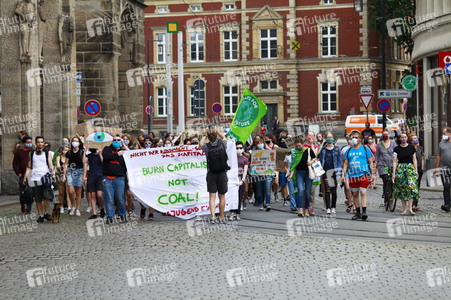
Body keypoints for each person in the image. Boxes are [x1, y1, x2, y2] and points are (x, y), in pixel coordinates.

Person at [341, 131, 376, 221]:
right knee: (355, 194)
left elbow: (371, 162)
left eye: (356, 137)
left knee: (363, 192)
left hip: (363, 174)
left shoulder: (365, 149)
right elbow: (345, 164)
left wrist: (373, 174)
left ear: (360, 139)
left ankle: (364, 211)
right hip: (352, 176)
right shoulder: (348, 150)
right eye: (352, 137)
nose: (354, 139)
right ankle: (358, 212)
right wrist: (342, 175)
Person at [200, 128, 229, 223]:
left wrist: (205, 135)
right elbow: (224, 137)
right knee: (222, 196)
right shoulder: (222, 144)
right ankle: (221, 217)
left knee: (212, 196)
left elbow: (200, 144)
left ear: (208, 137)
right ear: (216, 136)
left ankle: (212, 217)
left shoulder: (206, 147)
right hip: (222, 173)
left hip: (211, 173)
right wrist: (218, 132)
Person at [23, 136, 54, 223]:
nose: (40, 143)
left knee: (47, 197)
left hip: (45, 178)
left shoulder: (47, 153)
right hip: (35, 178)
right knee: (38, 198)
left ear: (44, 143)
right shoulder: (32, 153)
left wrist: (51, 173)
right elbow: (29, 166)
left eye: (41, 142)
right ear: (36, 143)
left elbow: (50, 164)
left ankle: (46, 213)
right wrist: (25, 177)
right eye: (38, 142)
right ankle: (40, 215)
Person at [102, 135, 128, 224]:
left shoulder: (124, 152)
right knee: (109, 199)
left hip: (119, 178)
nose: (116, 141)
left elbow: (132, 157)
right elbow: (106, 156)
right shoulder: (107, 149)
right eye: (114, 140)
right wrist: (117, 154)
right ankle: (109, 217)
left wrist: (124, 146)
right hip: (107, 178)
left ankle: (122, 214)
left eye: (118, 140)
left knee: (120, 198)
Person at [288, 137, 316, 217]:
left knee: (307, 192)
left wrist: (311, 162)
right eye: (296, 146)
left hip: (308, 173)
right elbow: (294, 165)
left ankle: (306, 209)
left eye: (299, 146)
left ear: (302, 144)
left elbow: (314, 157)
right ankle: (300, 209)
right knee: (300, 190)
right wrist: (291, 174)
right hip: (299, 173)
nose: (298, 147)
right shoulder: (294, 152)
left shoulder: (308, 150)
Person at [392, 133, 419, 216]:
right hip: (400, 169)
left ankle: (410, 209)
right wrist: (394, 173)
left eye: (405, 137)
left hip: (410, 168)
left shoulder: (411, 147)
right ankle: (404, 209)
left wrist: (416, 170)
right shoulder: (397, 149)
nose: (404, 139)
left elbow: (414, 159)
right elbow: (395, 161)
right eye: (402, 137)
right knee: (402, 188)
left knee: (411, 187)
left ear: (407, 138)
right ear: (400, 139)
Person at [318, 132, 342, 215]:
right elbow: (321, 161)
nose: (329, 139)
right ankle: (328, 207)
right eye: (328, 137)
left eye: (331, 137)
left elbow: (339, 162)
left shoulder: (336, 149)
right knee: (327, 190)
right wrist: (320, 172)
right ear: (325, 138)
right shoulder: (323, 149)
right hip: (325, 172)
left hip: (334, 172)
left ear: (333, 138)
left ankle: (333, 207)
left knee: (334, 190)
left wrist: (339, 174)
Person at [63, 136, 85, 216]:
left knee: (78, 192)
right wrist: (64, 175)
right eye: (73, 141)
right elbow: (66, 164)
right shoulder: (69, 152)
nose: (74, 142)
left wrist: (84, 175)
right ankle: (73, 206)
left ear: (79, 143)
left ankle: (78, 209)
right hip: (70, 171)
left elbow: (84, 164)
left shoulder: (82, 152)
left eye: (76, 141)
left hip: (79, 171)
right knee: (70, 191)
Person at [13, 135, 34, 214]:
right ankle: (23, 205)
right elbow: (14, 163)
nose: (29, 144)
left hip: (31, 174)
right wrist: (18, 173)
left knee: (30, 192)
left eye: (30, 142)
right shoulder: (19, 152)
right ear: (24, 143)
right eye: (28, 142)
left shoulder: (32, 151)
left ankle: (29, 207)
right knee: (23, 192)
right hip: (22, 175)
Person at [375, 130, 396, 208]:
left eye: (386, 135)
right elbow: (377, 156)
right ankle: (386, 196)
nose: (385, 136)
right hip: (382, 165)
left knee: (391, 181)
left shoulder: (393, 143)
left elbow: (396, 153)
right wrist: (375, 166)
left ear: (389, 135)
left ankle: (391, 196)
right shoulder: (379, 144)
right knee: (386, 179)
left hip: (391, 165)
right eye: (383, 135)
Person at [229, 141, 249, 221]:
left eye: (240, 148)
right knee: (232, 197)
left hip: (240, 178)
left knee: (239, 197)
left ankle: (237, 213)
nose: (239, 149)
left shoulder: (245, 159)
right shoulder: (231, 157)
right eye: (237, 148)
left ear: (243, 149)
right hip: (232, 178)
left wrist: (242, 180)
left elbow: (245, 170)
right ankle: (232, 212)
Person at [84, 147, 105, 219]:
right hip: (91, 176)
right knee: (92, 195)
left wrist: (100, 153)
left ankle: (102, 208)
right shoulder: (89, 156)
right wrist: (84, 151)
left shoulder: (100, 154)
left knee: (99, 195)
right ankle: (94, 213)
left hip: (99, 176)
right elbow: (84, 162)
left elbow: (103, 162)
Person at [436, 127, 451, 212]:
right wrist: (437, 168)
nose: (443, 135)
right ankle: (447, 204)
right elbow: (438, 155)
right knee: (446, 186)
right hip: (444, 169)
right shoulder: (441, 143)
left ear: (449, 133)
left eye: (444, 133)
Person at [304, 131, 319, 216]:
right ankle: (304, 205)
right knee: (305, 189)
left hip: (313, 170)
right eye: (309, 135)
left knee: (312, 190)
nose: (311, 137)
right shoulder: (303, 146)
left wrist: (312, 144)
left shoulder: (315, 146)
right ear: (306, 136)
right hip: (304, 169)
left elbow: (314, 155)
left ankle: (311, 206)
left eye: (312, 136)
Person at [410, 134, 424, 211]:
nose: (416, 139)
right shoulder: (409, 148)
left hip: (419, 169)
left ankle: (415, 204)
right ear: (411, 141)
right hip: (411, 169)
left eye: (416, 138)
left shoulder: (420, 148)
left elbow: (422, 158)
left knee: (417, 187)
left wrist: (422, 168)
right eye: (414, 138)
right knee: (412, 187)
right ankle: (411, 204)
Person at [55, 143, 70, 214]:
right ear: (62, 150)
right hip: (60, 175)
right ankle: (61, 206)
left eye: (67, 150)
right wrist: (63, 165)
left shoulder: (70, 157)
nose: (66, 151)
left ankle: (69, 206)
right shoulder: (59, 157)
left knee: (68, 191)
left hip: (69, 174)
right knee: (61, 192)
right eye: (65, 150)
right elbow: (58, 166)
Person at [341, 135, 353, 212]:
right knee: (347, 187)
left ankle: (354, 205)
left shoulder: (358, 148)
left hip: (355, 170)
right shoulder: (344, 149)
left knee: (355, 189)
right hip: (347, 170)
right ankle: (349, 202)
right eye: (351, 138)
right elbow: (343, 161)